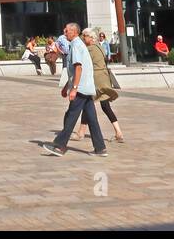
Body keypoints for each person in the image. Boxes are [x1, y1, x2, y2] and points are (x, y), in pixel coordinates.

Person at [42, 23, 108, 157]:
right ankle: (100, 148)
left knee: (70, 116)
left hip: (81, 89)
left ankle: (60, 146)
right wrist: (67, 86)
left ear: (75, 32)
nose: (64, 32)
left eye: (67, 30)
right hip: (86, 87)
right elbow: (75, 71)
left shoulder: (76, 45)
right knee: (92, 119)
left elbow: (78, 67)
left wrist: (74, 88)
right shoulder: (77, 45)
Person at [77, 27, 124, 143]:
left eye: (84, 36)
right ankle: (118, 132)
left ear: (90, 37)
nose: (83, 38)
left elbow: (83, 64)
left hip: (96, 79)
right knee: (105, 106)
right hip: (104, 77)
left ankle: (81, 132)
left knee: (87, 102)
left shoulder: (90, 49)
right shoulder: (100, 47)